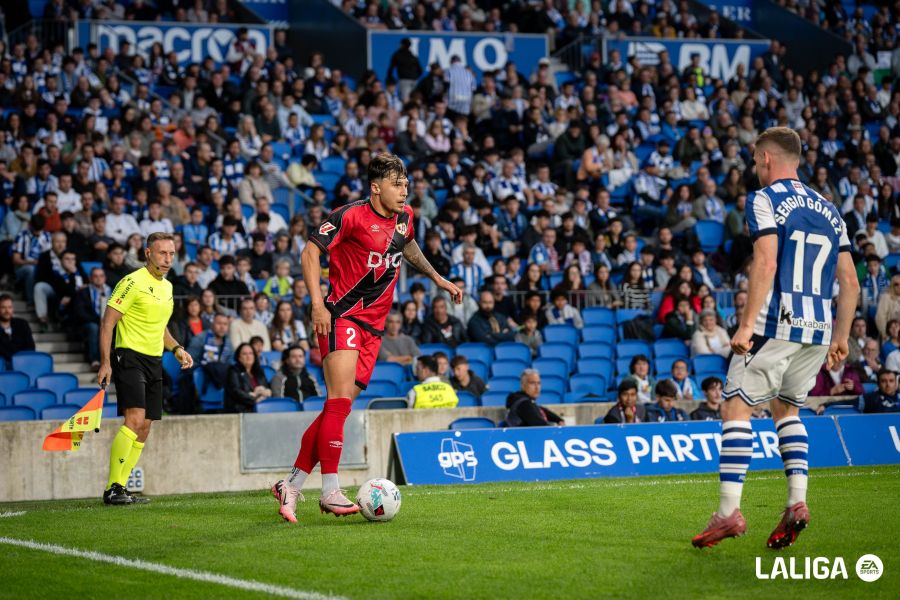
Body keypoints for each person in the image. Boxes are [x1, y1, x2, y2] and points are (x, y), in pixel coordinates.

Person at [692, 128, 859, 550]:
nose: (753, 167)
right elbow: (851, 282)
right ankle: (796, 504)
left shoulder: (765, 199)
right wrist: (842, 336)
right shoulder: (831, 210)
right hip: (818, 328)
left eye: (753, 159)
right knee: (788, 409)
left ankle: (729, 512)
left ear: (766, 158)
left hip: (776, 322)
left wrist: (747, 325)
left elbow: (765, 262)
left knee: (735, 406)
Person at [271, 154, 461, 523]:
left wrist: (437, 278)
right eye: (396, 184)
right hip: (342, 315)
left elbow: (406, 247)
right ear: (376, 188)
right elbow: (310, 253)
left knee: (335, 410)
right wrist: (316, 305)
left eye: (406, 184)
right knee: (339, 403)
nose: (405, 191)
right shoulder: (349, 216)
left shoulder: (405, 218)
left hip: (374, 328)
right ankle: (330, 491)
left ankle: (290, 485)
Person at [98, 232, 194, 505]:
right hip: (129, 357)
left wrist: (176, 349)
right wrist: (106, 362)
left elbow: (160, 327)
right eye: (162, 253)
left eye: (172, 253)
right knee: (135, 419)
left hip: (154, 360)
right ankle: (112, 488)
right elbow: (108, 323)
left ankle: (121, 487)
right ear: (148, 254)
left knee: (146, 427)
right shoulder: (130, 282)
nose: (168, 259)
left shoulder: (167, 287)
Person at [71, 267, 110, 370]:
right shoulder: (83, 292)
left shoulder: (111, 291)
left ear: (105, 278)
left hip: (108, 322)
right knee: (94, 328)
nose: (99, 278)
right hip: (89, 322)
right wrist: (98, 321)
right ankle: (95, 360)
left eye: (101, 276)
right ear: (90, 278)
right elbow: (80, 312)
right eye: (95, 276)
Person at [224, 342, 272, 412]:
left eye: (251, 353)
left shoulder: (259, 371)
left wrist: (265, 391)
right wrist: (255, 399)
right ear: (239, 358)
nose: (248, 356)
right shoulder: (233, 371)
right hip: (241, 409)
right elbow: (236, 392)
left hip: (261, 407)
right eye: (244, 354)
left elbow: (266, 388)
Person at [0, 293, 35, 368]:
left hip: (23, 365)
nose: (7, 311)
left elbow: (31, 348)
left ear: (12, 309)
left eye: (9, 307)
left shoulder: (22, 324)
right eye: (3, 307)